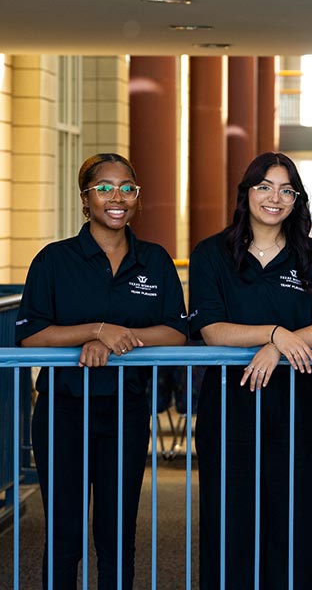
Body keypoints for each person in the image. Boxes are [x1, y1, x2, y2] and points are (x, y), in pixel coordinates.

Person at [16, 153, 188, 589]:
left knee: (117, 533)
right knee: (64, 532)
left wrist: (118, 338)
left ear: (137, 198)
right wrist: (94, 330)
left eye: (128, 188)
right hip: (63, 410)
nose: (118, 197)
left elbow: (177, 332)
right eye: (106, 188)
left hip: (126, 410)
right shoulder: (54, 260)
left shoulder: (155, 261)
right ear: (85, 198)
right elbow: (30, 336)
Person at [189, 152, 312, 589]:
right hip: (230, 409)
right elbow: (212, 330)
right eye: (264, 187)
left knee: (295, 521)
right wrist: (276, 334)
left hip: (297, 408)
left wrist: (278, 347)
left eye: (286, 190)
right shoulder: (211, 255)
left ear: (296, 200)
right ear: (247, 193)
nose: (274, 198)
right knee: (229, 521)